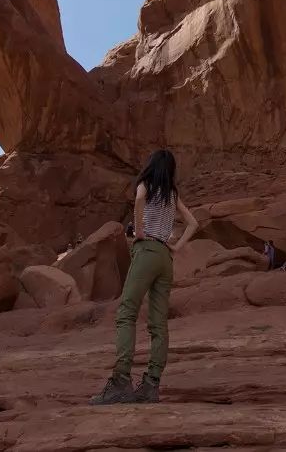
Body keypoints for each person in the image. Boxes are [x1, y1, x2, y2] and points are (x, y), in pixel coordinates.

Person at [90, 149, 198, 406]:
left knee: (127, 312)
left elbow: (139, 199)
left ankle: (121, 381)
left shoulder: (146, 184)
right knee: (158, 324)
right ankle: (151, 385)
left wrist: (138, 231)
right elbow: (193, 223)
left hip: (147, 251)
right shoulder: (172, 194)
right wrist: (177, 246)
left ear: (151, 165)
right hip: (165, 257)